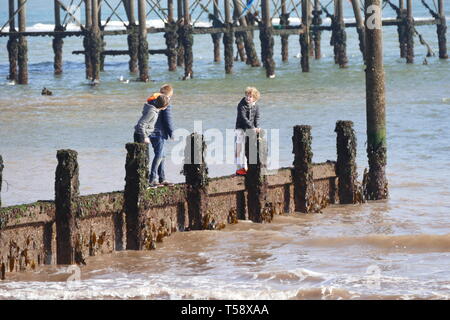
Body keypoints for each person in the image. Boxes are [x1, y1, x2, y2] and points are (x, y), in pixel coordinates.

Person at [133, 93, 170, 186]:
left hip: (143, 134)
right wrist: (145, 136)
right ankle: (148, 182)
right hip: (140, 135)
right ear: (164, 107)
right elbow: (140, 124)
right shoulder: (152, 112)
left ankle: (148, 181)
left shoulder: (153, 109)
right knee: (143, 160)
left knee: (145, 159)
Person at [148, 84, 175, 187]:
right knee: (160, 155)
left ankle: (162, 178)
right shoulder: (166, 103)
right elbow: (168, 119)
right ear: (169, 95)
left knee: (161, 155)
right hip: (159, 133)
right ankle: (152, 179)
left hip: (151, 132)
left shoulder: (152, 101)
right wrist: (171, 133)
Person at [235, 87, 261, 176]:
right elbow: (243, 118)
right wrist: (252, 127)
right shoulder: (241, 105)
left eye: (250, 96)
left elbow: (256, 118)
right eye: (247, 96)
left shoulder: (256, 106)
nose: (248, 98)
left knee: (249, 148)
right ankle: (239, 168)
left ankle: (247, 167)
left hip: (250, 129)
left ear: (254, 98)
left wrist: (257, 128)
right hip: (240, 128)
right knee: (240, 148)